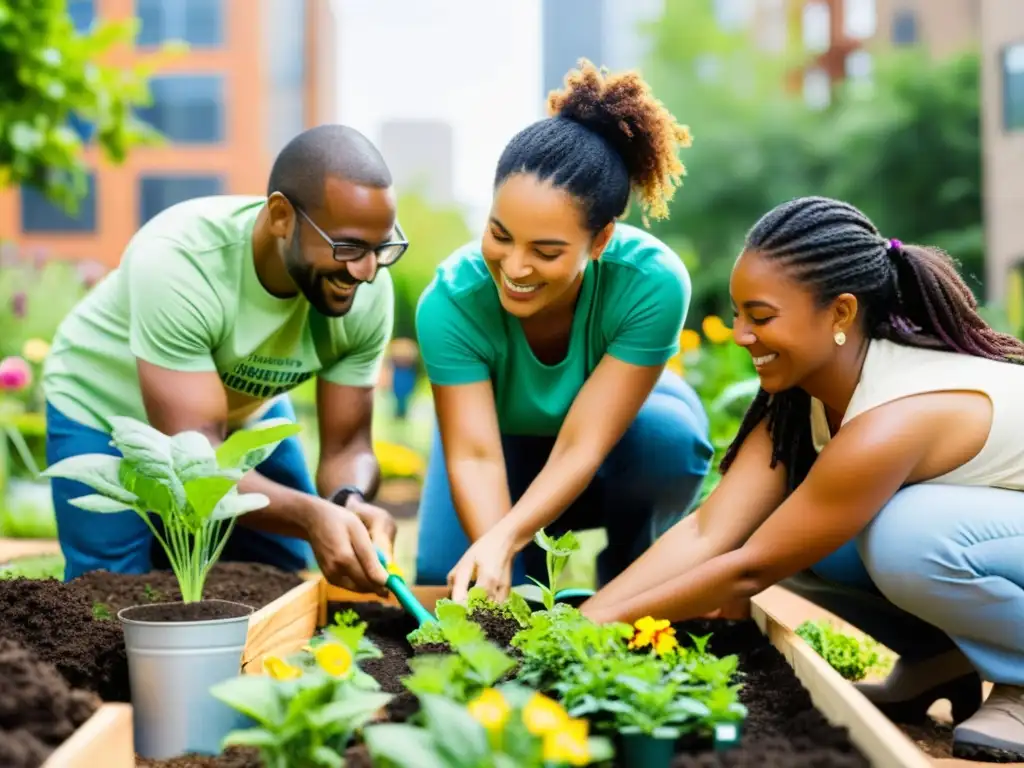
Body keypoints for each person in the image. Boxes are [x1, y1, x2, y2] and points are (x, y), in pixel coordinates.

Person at [579, 195, 1024, 762]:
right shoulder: (801, 398)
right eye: (739, 314)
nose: (741, 334)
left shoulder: (896, 415)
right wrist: (582, 617)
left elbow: (753, 567)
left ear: (839, 313)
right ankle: (938, 659)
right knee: (815, 533)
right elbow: (711, 532)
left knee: (905, 536)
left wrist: (596, 627)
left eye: (760, 317)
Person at [42, 124, 406, 595]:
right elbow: (197, 460)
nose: (367, 270)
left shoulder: (363, 291)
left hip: (237, 410)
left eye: (381, 248)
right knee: (113, 592)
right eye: (348, 247)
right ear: (281, 216)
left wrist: (345, 500)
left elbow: (347, 447)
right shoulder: (181, 261)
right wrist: (310, 514)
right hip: (103, 408)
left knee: (274, 574)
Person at [413, 60, 714, 603]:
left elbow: (583, 443)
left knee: (668, 443)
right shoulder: (451, 302)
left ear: (599, 242)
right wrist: (496, 551)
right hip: (500, 445)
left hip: (619, 441)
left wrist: (504, 534)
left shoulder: (652, 283)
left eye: (547, 251)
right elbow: (476, 455)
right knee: (451, 575)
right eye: (500, 235)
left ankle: (627, 575)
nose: (515, 266)